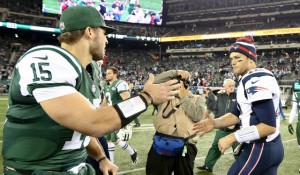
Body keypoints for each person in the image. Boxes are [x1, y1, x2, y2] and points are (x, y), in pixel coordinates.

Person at [2, 6, 180, 175]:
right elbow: (92, 123)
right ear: (90, 32)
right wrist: (146, 98)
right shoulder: (46, 60)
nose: (107, 40)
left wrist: (101, 157)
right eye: (104, 33)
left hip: (75, 166)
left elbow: (80, 129)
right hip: (36, 170)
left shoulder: (91, 70)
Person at [193, 36, 284, 175]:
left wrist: (233, 137)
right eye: (231, 59)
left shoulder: (255, 79)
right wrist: (214, 123)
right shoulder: (247, 79)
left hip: (260, 147)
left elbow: (268, 126)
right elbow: (236, 114)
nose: (233, 62)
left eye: (238, 58)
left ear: (251, 59)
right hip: (269, 147)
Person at [146, 70, 206, 175]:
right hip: (162, 142)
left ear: (187, 85)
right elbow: (154, 83)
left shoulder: (197, 99)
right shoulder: (164, 97)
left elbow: (198, 116)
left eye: (178, 84)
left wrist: (183, 97)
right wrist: (175, 72)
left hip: (186, 145)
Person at [197, 78, 239, 172]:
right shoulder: (220, 96)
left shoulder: (239, 97)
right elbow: (216, 109)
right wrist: (218, 120)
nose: (232, 87)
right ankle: (208, 166)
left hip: (236, 130)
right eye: (229, 86)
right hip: (222, 129)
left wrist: (236, 123)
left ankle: (244, 167)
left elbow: (244, 113)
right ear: (224, 87)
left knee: (238, 150)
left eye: (233, 85)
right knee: (215, 147)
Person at [102, 67, 138, 165]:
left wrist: (125, 117)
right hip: (110, 115)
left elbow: (127, 100)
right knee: (109, 140)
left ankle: (113, 162)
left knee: (113, 139)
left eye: (109, 73)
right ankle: (132, 152)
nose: (106, 75)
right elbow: (105, 102)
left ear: (115, 74)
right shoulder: (106, 85)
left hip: (117, 115)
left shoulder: (120, 84)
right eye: (106, 73)